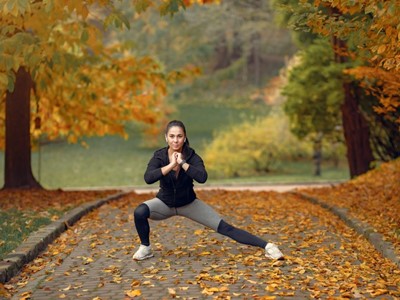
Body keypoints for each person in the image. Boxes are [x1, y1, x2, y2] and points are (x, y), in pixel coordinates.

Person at [132, 120, 284, 261]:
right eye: (172, 136)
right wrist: (171, 165)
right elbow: (148, 178)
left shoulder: (192, 157)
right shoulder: (159, 156)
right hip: (164, 204)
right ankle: (146, 248)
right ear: (166, 138)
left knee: (225, 227)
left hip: (189, 204)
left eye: (179, 136)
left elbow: (202, 177)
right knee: (140, 212)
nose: (175, 140)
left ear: (184, 138)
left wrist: (183, 163)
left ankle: (268, 247)